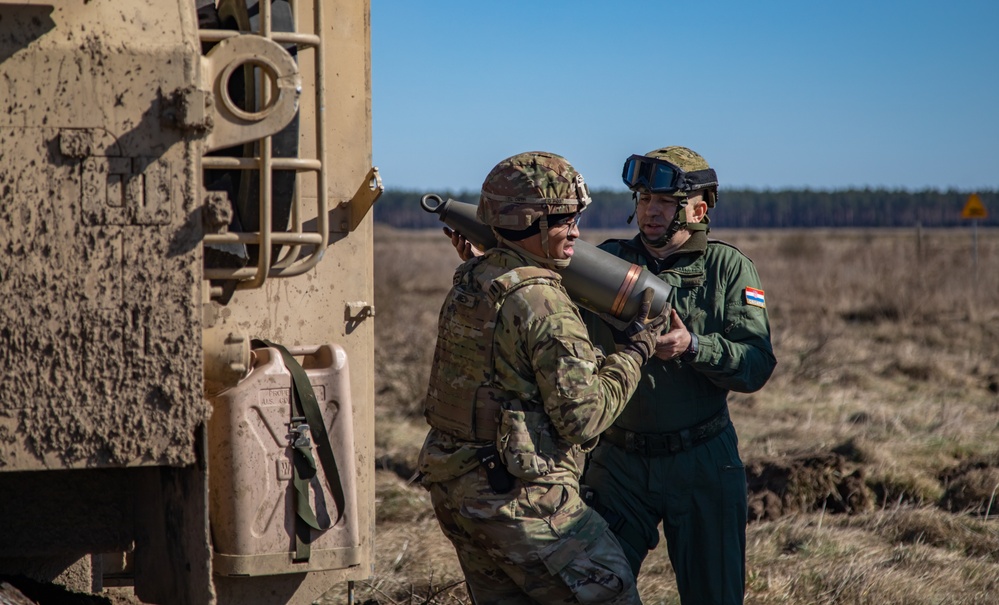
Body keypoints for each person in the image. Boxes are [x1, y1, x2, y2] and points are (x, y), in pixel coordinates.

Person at [419, 151, 667, 604]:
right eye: (565, 221)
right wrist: (635, 351)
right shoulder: (542, 302)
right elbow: (583, 419)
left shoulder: (473, 275)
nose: (576, 232)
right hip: (523, 502)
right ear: (531, 223)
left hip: (458, 490)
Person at [580, 146, 777, 605]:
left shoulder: (729, 269)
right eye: (645, 198)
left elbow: (756, 365)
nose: (650, 210)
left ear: (698, 209)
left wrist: (693, 347)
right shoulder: (608, 263)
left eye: (664, 202)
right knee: (588, 589)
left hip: (703, 462)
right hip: (619, 464)